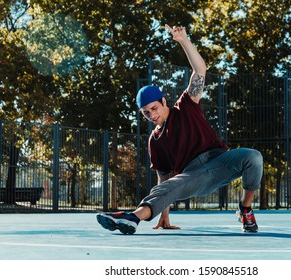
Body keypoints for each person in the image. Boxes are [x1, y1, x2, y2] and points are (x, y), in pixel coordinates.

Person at [96, 24, 263, 235]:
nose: (152, 115)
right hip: (194, 176)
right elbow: (164, 177)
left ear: (163, 101)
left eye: (154, 108)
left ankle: (245, 209)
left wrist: (183, 41)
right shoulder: (154, 140)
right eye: (146, 113)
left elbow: (200, 70)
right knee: (167, 187)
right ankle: (132, 218)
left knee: (253, 156)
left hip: (220, 162)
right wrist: (164, 216)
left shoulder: (185, 106)